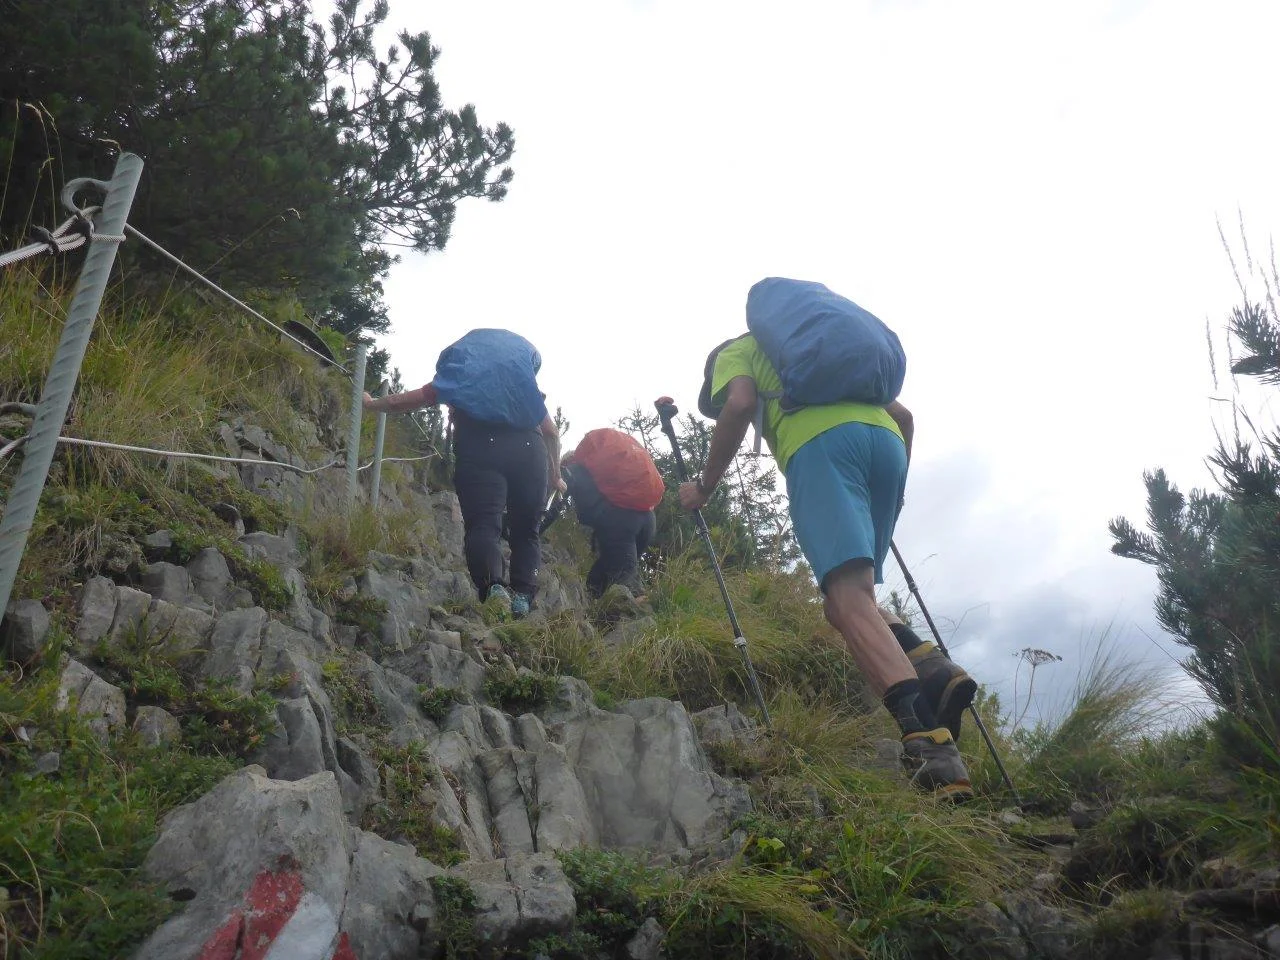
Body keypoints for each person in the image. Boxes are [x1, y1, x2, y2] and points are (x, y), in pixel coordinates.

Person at [682, 333, 978, 800]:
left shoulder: (737, 353)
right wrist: (892, 485)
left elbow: (739, 404)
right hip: (888, 446)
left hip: (822, 446)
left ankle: (929, 746)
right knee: (856, 601)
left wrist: (704, 486)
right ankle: (932, 666)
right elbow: (903, 416)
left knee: (845, 602)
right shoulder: (815, 348)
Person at [363, 330, 567, 619]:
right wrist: (554, 475)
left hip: (479, 447)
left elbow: (406, 401)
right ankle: (522, 597)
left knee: (483, 524)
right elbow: (552, 433)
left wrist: (371, 404)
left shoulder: (460, 378)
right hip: (529, 451)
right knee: (526, 531)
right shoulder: (522, 389)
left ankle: (493, 587)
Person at [559, 429, 662, 599]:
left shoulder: (572, 470)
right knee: (600, 574)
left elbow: (553, 503)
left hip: (620, 522)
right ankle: (596, 609)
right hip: (648, 520)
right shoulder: (606, 476)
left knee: (626, 585)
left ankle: (642, 622)